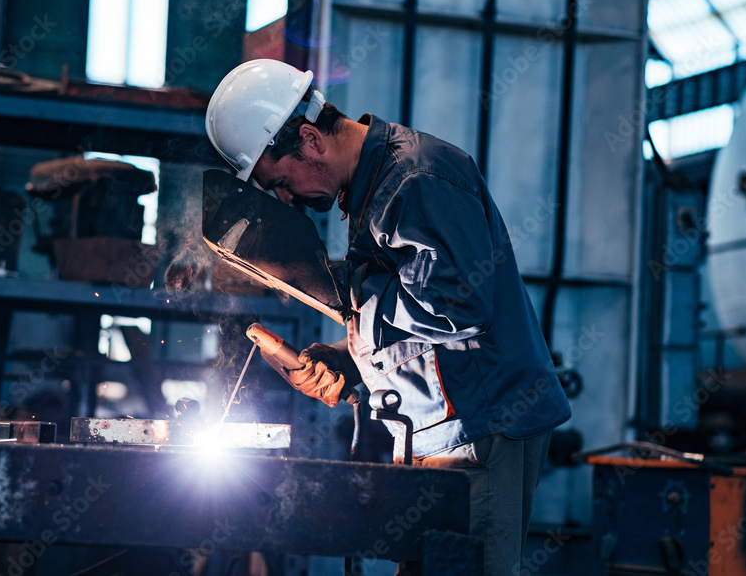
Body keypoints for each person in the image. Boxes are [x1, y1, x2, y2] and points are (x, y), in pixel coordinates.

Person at [205, 59, 572, 576]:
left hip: (481, 427)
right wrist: (342, 360)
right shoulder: (373, 187)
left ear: (310, 140)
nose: (287, 199)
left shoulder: (418, 179)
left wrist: (357, 323)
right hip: (442, 430)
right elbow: (413, 317)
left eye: (281, 181)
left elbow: (458, 303)